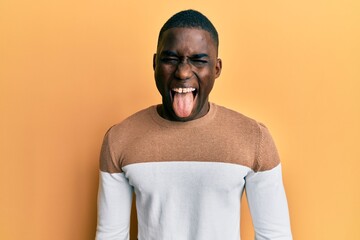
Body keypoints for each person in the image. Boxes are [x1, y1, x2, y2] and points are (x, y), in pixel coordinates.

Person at [96, 9, 292, 240]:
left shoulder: (254, 138)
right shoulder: (120, 138)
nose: (183, 72)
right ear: (154, 64)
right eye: (170, 59)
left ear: (217, 68)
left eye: (198, 60)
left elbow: (275, 235)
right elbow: (110, 235)